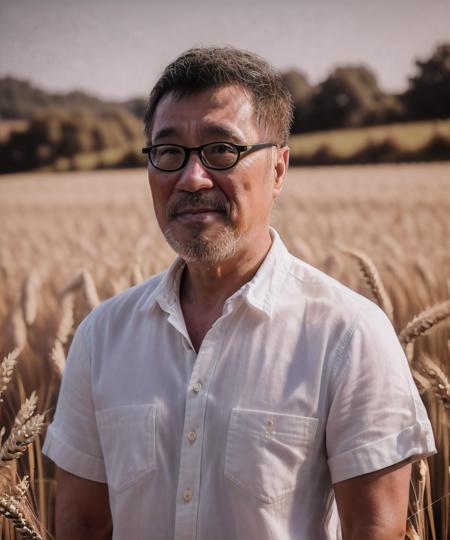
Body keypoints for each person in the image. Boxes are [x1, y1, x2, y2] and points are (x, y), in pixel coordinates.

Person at [43, 46, 436, 540]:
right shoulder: (101, 336)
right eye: (168, 153)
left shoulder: (350, 335)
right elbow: (80, 526)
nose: (190, 178)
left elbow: (375, 528)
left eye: (221, 150)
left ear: (278, 169)